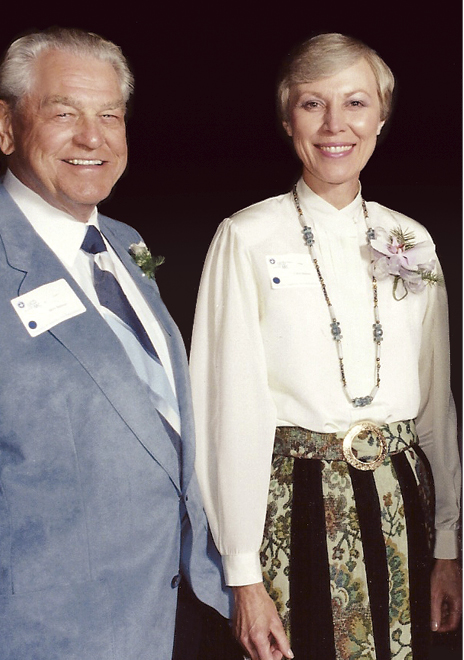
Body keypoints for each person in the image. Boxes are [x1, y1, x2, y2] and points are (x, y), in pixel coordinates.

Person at [0, 27, 231, 660]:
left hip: (174, 619)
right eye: (64, 113)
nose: (92, 138)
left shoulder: (125, 242)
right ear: (5, 126)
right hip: (49, 640)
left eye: (110, 116)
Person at [190, 33, 462, 660]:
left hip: (402, 506)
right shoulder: (246, 237)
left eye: (356, 103)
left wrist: (449, 544)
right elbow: (226, 409)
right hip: (295, 507)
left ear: (381, 115)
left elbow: (435, 401)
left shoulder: (410, 239)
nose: (335, 125)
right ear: (288, 119)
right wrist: (242, 572)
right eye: (313, 104)